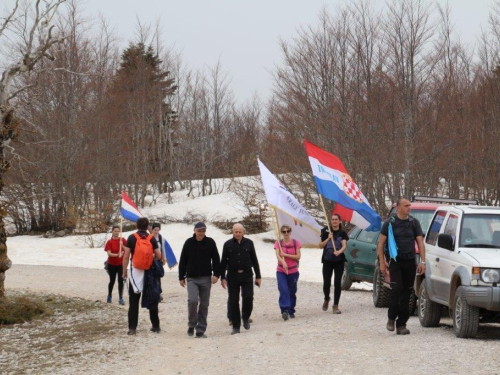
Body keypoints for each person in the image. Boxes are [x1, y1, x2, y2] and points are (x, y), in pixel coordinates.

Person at [377, 198, 426, 335]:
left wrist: (423, 262)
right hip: (395, 261)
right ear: (398, 207)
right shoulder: (389, 223)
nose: (409, 208)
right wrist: (382, 262)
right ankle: (391, 318)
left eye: (410, 205)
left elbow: (421, 243)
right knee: (396, 289)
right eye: (406, 206)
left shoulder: (414, 223)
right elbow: (380, 244)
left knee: (407, 292)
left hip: (410, 261)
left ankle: (402, 324)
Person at [178, 222, 220, 338]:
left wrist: (216, 274)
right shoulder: (188, 243)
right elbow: (183, 260)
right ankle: (191, 324)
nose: (201, 233)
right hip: (192, 278)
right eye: (199, 231)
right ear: (194, 231)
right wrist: (181, 277)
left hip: (206, 278)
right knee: (192, 300)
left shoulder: (210, 242)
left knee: (204, 304)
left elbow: (216, 259)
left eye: (203, 231)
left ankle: (200, 329)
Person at [122, 217, 161, 336]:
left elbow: (126, 256)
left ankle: (132, 328)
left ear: (137, 226)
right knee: (152, 297)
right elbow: (158, 255)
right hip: (149, 271)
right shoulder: (151, 238)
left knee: (134, 301)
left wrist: (124, 271)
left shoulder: (131, 237)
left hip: (136, 271)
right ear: (148, 226)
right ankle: (155, 326)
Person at [221, 223, 262, 335]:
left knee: (248, 297)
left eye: (240, 231)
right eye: (236, 232)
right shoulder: (227, 244)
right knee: (234, 300)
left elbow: (254, 259)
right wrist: (222, 277)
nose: (238, 233)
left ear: (243, 232)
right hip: (233, 275)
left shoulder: (249, 243)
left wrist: (258, 276)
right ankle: (235, 326)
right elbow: (223, 262)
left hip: (247, 274)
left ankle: (245, 317)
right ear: (232, 232)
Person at [319, 213, 348, 314]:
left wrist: (339, 252)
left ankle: (335, 305)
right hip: (327, 261)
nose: (334, 221)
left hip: (338, 261)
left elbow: (344, 246)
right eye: (333, 219)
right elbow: (320, 245)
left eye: (336, 219)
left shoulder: (343, 233)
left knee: (337, 283)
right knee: (326, 283)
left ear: (340, 221)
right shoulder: (326, 230)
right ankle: (327, 298)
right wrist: (328, 238)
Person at [274, 225, 301, 320]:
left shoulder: (295, 242)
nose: (286, 233)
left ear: (290, 232)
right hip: (281, 270)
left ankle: (291, 309)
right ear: (281, 233)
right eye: (283, 231)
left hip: (293, 271)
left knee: (292, 291)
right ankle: (284, 310)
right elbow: (277, 255)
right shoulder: (278, 243)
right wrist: (283, 261)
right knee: (283, 289)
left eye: (287, 231)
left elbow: (298, 256)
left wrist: (286, 255)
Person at [104, 226, 127, 305]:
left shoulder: (123, 240)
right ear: (112, 232)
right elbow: (109, 253)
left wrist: (122, 245)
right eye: (115, 231)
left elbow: (128, 250)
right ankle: (109, 295)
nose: (116, 233)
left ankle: (121, 298)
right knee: (112, 281)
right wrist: (117, 255)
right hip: (112, 264)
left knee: (120, 281)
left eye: (118, 231)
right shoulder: (110, 242)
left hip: (121, 264)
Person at [150, 222, 166, 301]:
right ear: (152, 230)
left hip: (158, 260)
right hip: (150, 260)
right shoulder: (149, 238)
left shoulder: (160, 238)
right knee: (151, 277)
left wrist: (164, 258)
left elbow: (163, 249)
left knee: (158, 277)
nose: (156, 231)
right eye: (155, 230)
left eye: (158, 230)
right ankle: (152, 293)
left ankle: (158, 293)